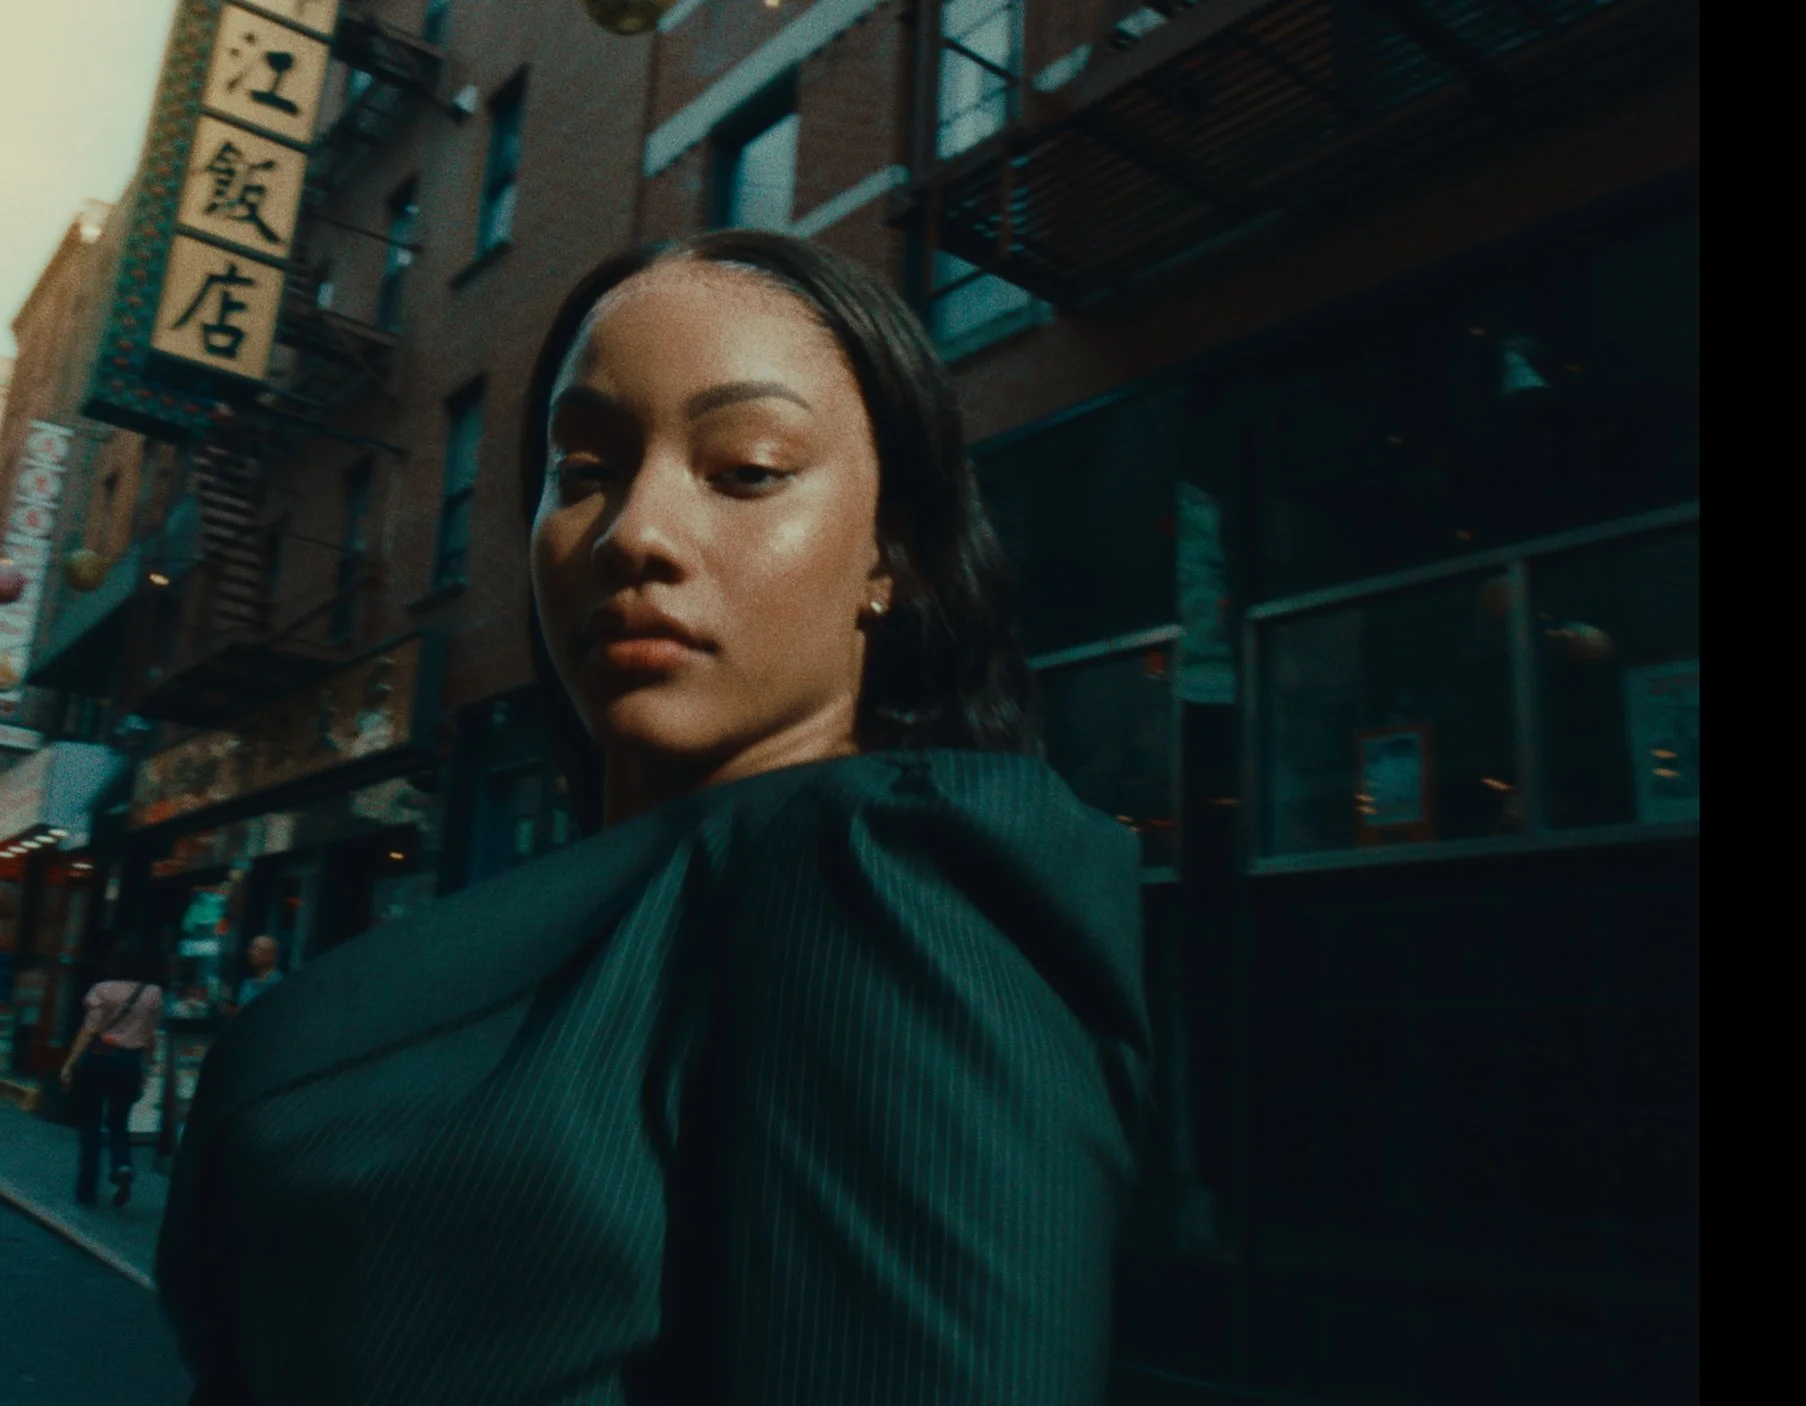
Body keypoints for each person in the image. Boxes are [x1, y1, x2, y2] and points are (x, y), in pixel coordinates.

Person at [157, 230, 1153, 1403]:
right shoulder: (606, 920)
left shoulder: (880, 885)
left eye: (746, 468)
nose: (634, 531)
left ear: (892, 557)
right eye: (581, 472)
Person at [62, 942, 165, 1209]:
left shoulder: (103, 990)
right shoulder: (154, 993)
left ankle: (87, 1190)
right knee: (119, 1120)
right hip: (131, 1061)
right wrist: (148, 1067)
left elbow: (89, 1029)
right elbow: (151, 1035)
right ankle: (122, 1165)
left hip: (100, 1057)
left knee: (92, 1124)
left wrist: (70, 1062)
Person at [219, 936, 283, 1018]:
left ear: (272, 955)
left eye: (258, 949)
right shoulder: (247, 983)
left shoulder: (278, 985)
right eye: (251, 948)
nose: (251, 952)